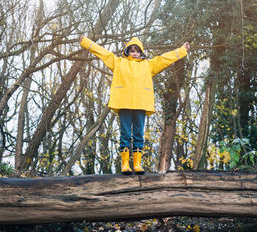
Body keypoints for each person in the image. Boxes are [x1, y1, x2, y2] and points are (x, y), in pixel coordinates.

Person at [80, 35, 190, 174]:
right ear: (127, 52)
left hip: (141, 105)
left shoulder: (148, 65)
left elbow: (165, 59)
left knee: (139, 134)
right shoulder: (118, 62)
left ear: (141, 52)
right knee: (125, 134)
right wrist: (85, 42)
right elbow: (103, 53)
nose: (135, 54)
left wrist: (182, 50)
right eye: (132, 51)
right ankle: (125, 164)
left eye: (137, 51)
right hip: (124, 104)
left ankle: (137, 163)